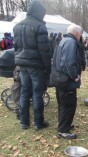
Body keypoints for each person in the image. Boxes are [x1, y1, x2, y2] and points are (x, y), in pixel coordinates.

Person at [13, 0, 51, 130]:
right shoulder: (40, 26)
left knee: (24, 93)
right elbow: (44, 51)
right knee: (37, 94)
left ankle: (24, 123)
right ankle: (38, 123)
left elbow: (16, 47)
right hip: (36, 65)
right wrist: (48, 67)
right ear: (39, 13)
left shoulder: (17, 26)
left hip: (22, 64)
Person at [51, 24, 83, 139]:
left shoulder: (63, 40)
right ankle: (63, 130)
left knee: (63, 103)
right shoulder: (71, 42)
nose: (81, 36)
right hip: (66, 80)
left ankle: (63, 124)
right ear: (77, 33)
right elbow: (69, 62)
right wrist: (75, 76)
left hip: (59, 78)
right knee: (69, 104)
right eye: (81, 34)